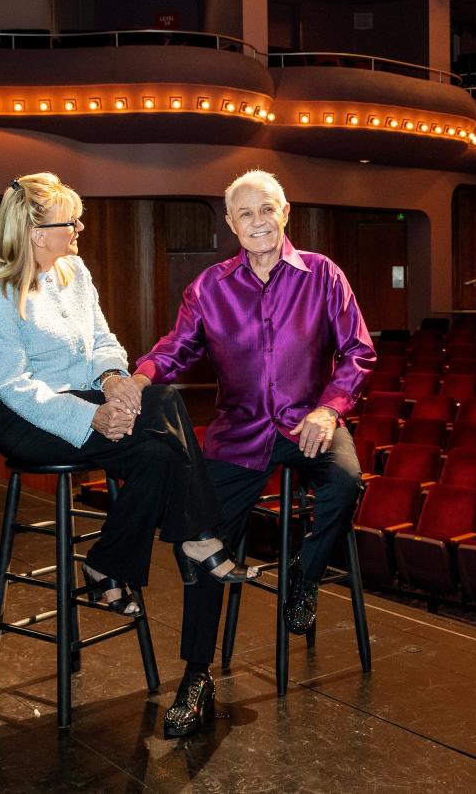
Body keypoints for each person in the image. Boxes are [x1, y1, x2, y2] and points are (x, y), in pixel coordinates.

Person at [127, 169, 376, 737]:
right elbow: (177, 349)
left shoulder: (323, 275)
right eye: (245, 214)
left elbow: (357, 351)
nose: (258, 222)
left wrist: (329, 408)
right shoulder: (210, 287)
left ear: (285, 211)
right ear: (231, 225)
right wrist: (136, 378)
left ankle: (302, 578)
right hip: (238, 434)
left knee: (344, 483)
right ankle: (197, 676)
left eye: (267, 209)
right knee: (199, 541)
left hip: (308, 424)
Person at [0, 172, 257, 619]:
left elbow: (103, 339)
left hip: (89, 399)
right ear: (36, 234)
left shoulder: (75, 273)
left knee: (160, 446)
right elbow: (14, 388)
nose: (78, 230)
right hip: (30, 420)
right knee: (163, 404)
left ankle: (106, 565)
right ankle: (197, 535)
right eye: (70, 223)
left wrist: (111, 381)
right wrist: (91, 417)